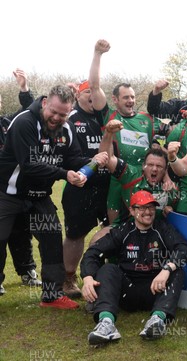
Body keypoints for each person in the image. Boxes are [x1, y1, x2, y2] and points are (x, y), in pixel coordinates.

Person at [0, 85, 108, 309]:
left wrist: (92, 161)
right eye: (54, 112)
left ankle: (51, 295)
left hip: (38, 197)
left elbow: (73, 159)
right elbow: (29, 165)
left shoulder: (66, 130)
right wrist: (64, 175)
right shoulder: (24, 123)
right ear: (45, 103)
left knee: (51, 239)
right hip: (7, 193)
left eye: (63, 114)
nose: (57, 118)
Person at [81, 190, 187, 345]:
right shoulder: (123, 230)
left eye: (151, 208)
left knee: (177, 271)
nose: (147, 212)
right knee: (108, 269)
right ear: (132, 211)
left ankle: (157, 320)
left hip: (155, 289)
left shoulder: (163, 228)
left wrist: (167, 269)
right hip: (127, 292)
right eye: (142, 208)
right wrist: (87, 277)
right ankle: (106, 324)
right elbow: (93, 252)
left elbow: (185, 249)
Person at [88, 39, 166, 227]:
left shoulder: (146, 119)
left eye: (132, 97)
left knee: (147, 225)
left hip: (145, 179)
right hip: (117, 177)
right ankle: (113, 256)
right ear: (115, 99)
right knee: (116, 227)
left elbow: (164, 141)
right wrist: (97, 54)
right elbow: (94, 87)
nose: (130, 100)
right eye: (126, 97)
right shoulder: (109, 116)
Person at [60, 80, 111, 298]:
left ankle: (103, 274)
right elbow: (65, 157)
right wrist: (91, 162)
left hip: (108, 186)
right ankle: (68, 278)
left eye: (95, 91)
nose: (92, 95)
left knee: (111, 230)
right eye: (87, 91)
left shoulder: (106, 117)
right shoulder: (71, 120)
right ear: (78, 96)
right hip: (81, 188)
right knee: (75, 234)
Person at [0, 68, 41, 295]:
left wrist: (24, 88)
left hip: (16, 188)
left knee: (21, 231)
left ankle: (27, 271)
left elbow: (29, 111)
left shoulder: (8, 124)